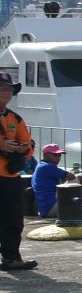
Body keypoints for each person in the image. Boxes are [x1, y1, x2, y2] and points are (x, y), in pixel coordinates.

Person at [0, 69, 39, 270]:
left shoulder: (16, 119)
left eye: (8, 89)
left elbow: (28, 144)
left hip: (10, 175)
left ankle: (10, 258)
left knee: (14, 218)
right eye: (1, 88)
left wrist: (23, 150)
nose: (5, 92)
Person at [30, 143, 77, 218]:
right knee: (80, 178)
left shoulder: (40, 165)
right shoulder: (47, 167)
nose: (58, 158)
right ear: (45, 155)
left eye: (59, 155)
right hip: (50, 209)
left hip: (45, 210)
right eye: (55, 155)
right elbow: (71, 176)